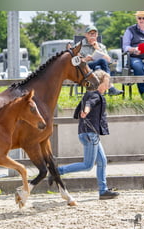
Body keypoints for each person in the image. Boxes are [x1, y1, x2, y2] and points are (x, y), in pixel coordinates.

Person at [49, 69, 120, 200]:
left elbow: (79, 109)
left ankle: (103, 191)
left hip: (90, 134)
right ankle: (57, 171)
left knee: (102, 161)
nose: (109, 84)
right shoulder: (94, 95)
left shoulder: (91, 94)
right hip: (90, 134)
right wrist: (86, 111)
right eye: (107, 82)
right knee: (87, 165)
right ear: (99, 83)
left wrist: (83, 112)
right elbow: (89, 104)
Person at [79, 25, 124, 96]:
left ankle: (98, 95)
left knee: (99, 68)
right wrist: (85, 59)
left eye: (94, 34)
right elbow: (75, 61)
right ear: (86, 35)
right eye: (90, 33)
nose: (92, 35)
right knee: (102, 61)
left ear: (97, 35)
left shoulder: (101, 46)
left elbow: (109, 60)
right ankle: (111, 87)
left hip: (97, 69)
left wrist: (98, 49)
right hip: (86, 68)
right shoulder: (80, 46)